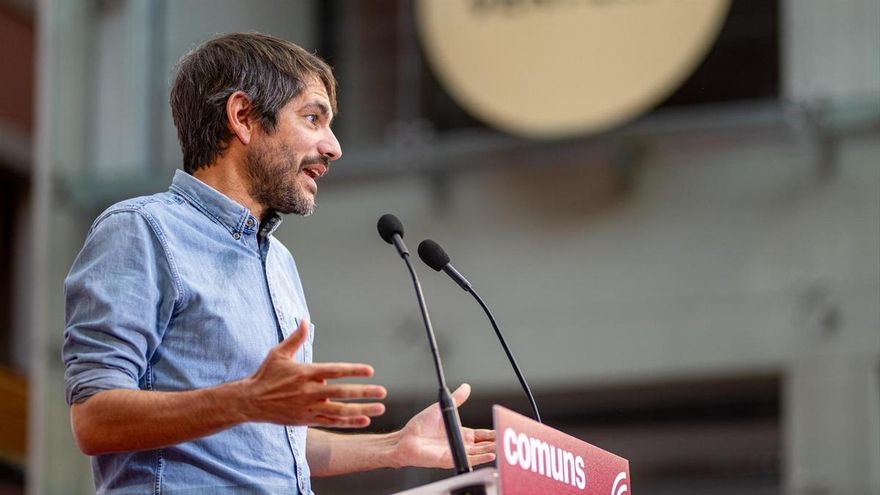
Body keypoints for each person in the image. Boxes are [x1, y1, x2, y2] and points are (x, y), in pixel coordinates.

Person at [62, 32, 495, 494]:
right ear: (243, 117)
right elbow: (93, 419)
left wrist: (395, 447)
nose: (333, 147)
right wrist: (246, 399)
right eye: (313, 118)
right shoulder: (141, 230)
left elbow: (271, 441)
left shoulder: (278, 261)